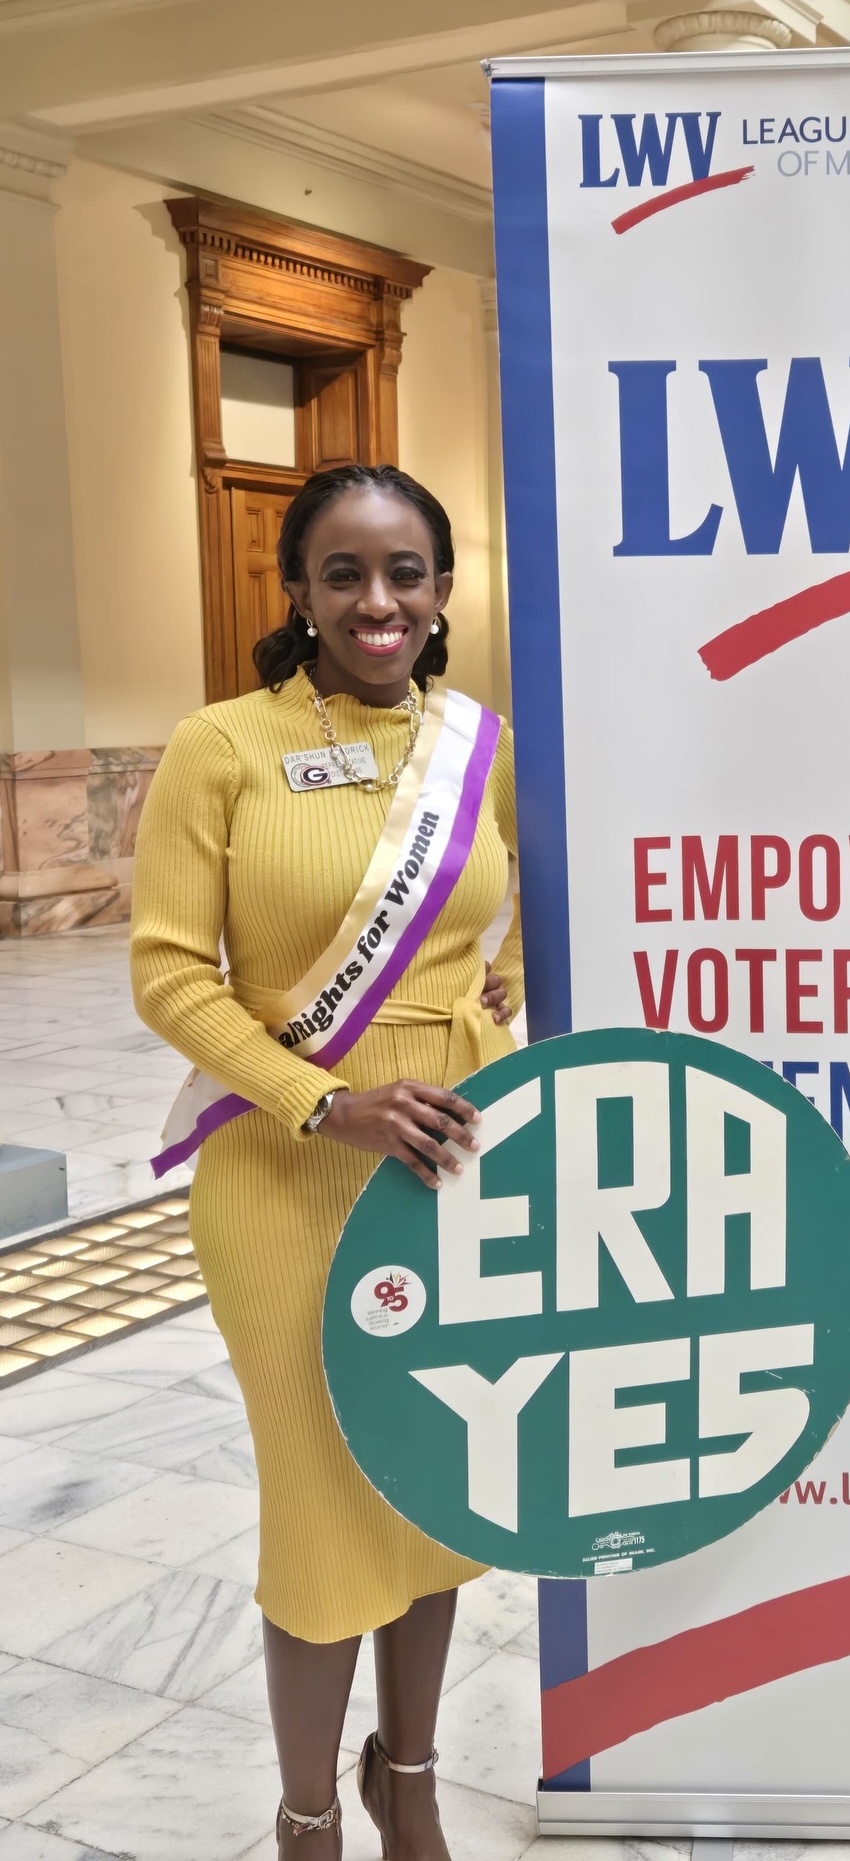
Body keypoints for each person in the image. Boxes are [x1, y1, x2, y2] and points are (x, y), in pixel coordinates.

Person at [131, 464, 522, 1858]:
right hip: (287, 1171)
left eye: (406, 573)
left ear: (440, 592)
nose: (378, 603)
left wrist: (484, 1010)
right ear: (295, 590)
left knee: (436, 1474)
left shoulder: (478, 740)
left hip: (450, 1163)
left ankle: (405, 1779)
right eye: (345, 574)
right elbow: (172, 977)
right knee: (319, 1495)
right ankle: (308, 1816)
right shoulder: (220, 746)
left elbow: (512, 901)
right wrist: (323, 1098)